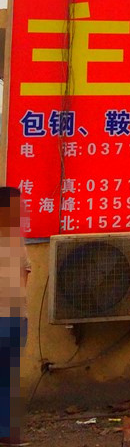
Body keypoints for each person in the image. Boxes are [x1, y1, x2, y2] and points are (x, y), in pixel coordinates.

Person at [0, 187, 30, 447]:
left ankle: (7, 432)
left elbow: (25, 272)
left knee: (9, 376)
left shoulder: (16, 240)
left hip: (16, 317)